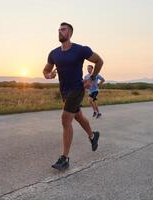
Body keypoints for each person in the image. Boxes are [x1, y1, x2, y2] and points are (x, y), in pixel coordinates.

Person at [43, 22, 104, 170]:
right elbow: (45, 71)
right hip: (64, 91)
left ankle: (64, 158)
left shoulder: (80, 50)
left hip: (77, 89)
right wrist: (49, 75)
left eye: (63, 29)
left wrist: (91, 78)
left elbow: (99, 61)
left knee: (65, 119)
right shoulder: (54, 53)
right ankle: (92, 135)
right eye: (58, 29)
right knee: (78, 117)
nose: (60, 31)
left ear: (69, 33)